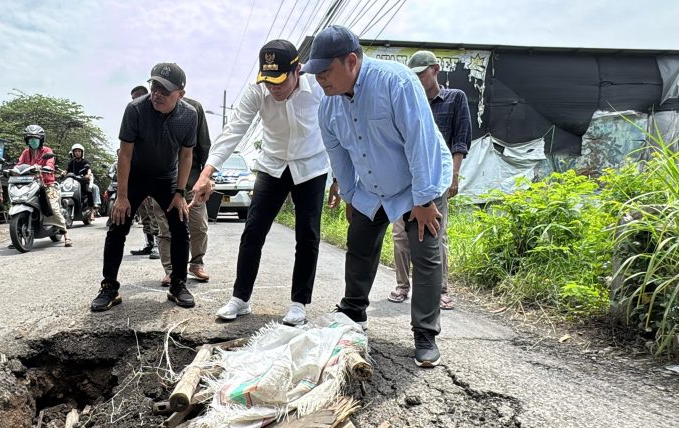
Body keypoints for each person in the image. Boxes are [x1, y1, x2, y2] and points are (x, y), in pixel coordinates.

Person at [304, 25, 452, 367]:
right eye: (316, 74)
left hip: (420, 179)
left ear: (351, 61)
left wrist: (425, 199)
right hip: (373, 185)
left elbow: (421, 140)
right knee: (359, 244)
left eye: (325, 72)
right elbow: (338, 155)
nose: (320, 81)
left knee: (424, 251)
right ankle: (354, 311)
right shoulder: (329, 107)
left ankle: (425, 332)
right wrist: (353, 197)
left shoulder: (395, 82)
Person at [192, 39, 329, 326]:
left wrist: (341, 178)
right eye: (268, 82)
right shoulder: (258, 91)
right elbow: (234, 130)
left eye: (280, 81)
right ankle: (240, 298)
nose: (274, 88)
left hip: (311, 166)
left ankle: (299, 303)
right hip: (273, 165)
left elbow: (338, 127)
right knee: (253, 231)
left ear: (297, 71)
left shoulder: (318, 87)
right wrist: (208, 171)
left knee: (307, 235)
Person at [91, 63, 198, 312]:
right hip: (136, 174)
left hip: (167, 177)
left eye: (165, 90)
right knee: (117, 225)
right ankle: (109, 287)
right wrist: (122, 196)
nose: (157, 94)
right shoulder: (135, 110)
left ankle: (178, 284)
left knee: (180, 225)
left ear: (180, 94)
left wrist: (180, 193)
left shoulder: (189, 115)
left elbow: (186, 156)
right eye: (155, 87)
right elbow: (125, 155)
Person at [388, 51, 472, 310]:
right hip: (407, 179)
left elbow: (460, 140)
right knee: (400, 233)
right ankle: (403, 285)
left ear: (435, 70)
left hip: (438, 178)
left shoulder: (454, 99)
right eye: (413, 76)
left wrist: (454, 177)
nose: (417, 80)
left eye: (421, 74)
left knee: (436, 233)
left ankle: (440, 289)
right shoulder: (407, 101)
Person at [153, 95, 211, 287]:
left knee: (199, 225)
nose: (160, 94)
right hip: (161, 181)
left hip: (191, 180)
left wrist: (206, 177)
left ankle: (196, 263)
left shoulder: (194, 109)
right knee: (165, 229)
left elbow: (204, 144)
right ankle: (170, 270)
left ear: (180, 91)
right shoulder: (151, 108)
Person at [16, 124, 72, 246]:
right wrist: (14, 169)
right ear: (27, 140)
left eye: (35, 139)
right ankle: (17, 235)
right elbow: (19, 164)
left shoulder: (47, 151)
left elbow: (50, 163)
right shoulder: (25, 153)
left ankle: (66, 234)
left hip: (47, 185)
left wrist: (47, 167)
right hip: (30, 184)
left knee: (54, 208)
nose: (33, 141)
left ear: (41, 139)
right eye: (30, 139)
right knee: (19, 201)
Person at [127, 84, 160, 258]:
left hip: (155, 176)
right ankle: (149, 243)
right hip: (138, 175)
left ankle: (157, 246)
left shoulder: (156, 116)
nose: (135, 102)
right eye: (132, 99)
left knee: (155, 213)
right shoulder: (133, 117)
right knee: (144, 214)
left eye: (137, 97)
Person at [64, 143, 97, 216]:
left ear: (82, 152)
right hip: (72, 182)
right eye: (76, 151)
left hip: (82, 181)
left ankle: (91, 211)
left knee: (88, 191)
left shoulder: (85, 162)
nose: (77, 153)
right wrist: (63, 173)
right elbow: (66, 170)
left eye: (79, 151)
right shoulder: (71, 162)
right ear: (73, 153)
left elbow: (88, 169)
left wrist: (88, 175)